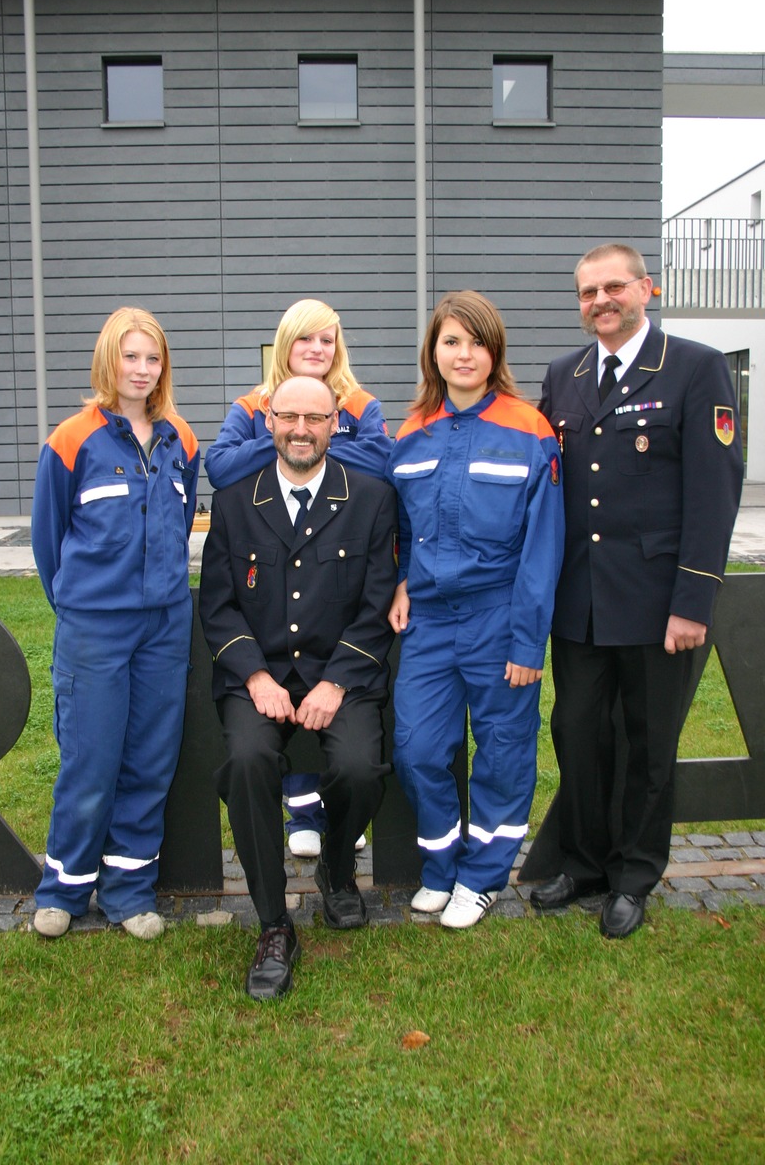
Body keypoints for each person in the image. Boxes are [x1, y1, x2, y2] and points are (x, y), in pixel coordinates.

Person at [530, 243, 744, 938]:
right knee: (578, 734)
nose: (600, 301)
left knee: (648, 743)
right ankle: (586, 862)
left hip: (658, 603)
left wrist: (694, 600)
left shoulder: (694, 367)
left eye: (613, 287)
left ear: (645, 289)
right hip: (581, 601)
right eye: (587, 292)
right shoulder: (564, 375)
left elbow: (714, 494)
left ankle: (633, 874)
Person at [199, 374, 397, 1000]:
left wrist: (337, 683)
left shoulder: (369, 497)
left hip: (340, 675)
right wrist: (255, 676)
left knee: (363, 768)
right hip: (258, 677)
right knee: (248, 760)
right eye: (288, 417)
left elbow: (373, 606)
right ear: (269, 422)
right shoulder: (234, 500)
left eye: (315, 418)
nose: (301, 430)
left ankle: (337, 871)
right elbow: (219, 606)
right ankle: (273, 924)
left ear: (336, 423)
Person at [388, 290, 564, 928]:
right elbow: (402, 529)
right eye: (451, 342)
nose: (464, 354)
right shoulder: (411, 434)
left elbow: (544, 547)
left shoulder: (530, 429)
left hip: (499, 617)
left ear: (496, 352)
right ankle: (441, 865)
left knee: (503, 749)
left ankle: (483, 877)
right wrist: (404, 579)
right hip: (431, 621)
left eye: (476, 342)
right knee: (415, 748)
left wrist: (527, 641)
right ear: (433, 351)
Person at [31, 308, 199, 940]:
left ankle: (129, 890)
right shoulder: (72, 438)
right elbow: (49, 544)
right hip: (94, 627)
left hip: (163, 624)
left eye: (152, 358)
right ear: (109, 361)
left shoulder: (180, 437)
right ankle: (64, 889)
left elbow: (178, 528)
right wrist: (82, 604)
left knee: (149, 759)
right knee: (90, 757)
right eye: (130, 357)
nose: (142, 369)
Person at [205, 298, 391, 859]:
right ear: (284, 346)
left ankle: (330, 819)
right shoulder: (251, 404)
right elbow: (221, 467)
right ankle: (300, 811)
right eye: (304, 339)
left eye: (327, 340)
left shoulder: (363, 403)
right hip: (272, 634)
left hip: (335, 622)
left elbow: (385, 464)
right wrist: (294, 433)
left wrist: (309, 437)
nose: (316, 349)